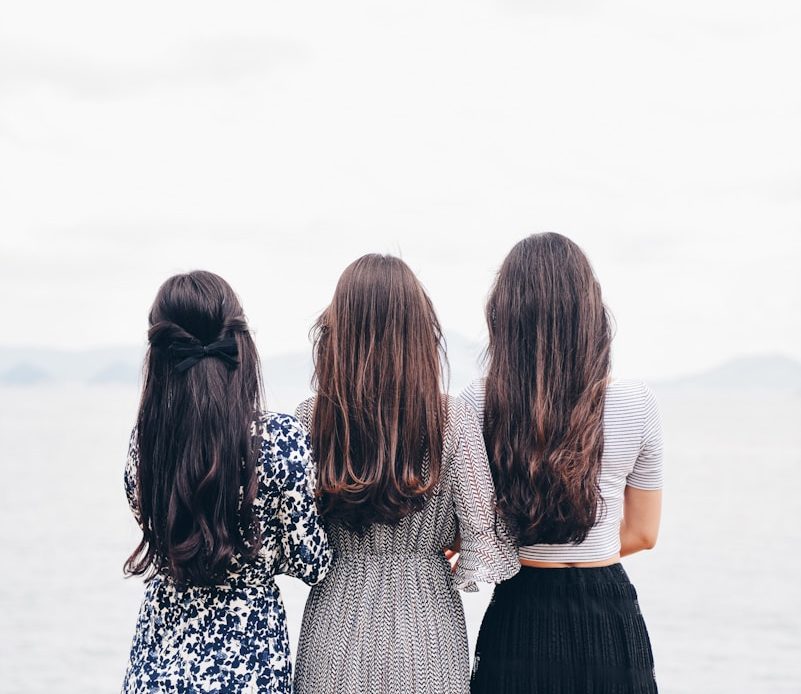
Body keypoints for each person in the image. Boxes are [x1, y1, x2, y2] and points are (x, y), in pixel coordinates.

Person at [293, 254, 519, 694]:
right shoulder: (451, 416)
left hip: (335, 624)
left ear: (338, 331)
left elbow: (297, 541)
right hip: (427, 626)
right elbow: (483, 534)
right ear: (419, 331)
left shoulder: (309, 420)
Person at [466, 233, 663, 694]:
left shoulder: (477, 404)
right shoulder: (637, 403)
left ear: (504, 315)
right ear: (591, 314)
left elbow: (472, 529)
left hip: (520, 610)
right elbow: (643, 534)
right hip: (610, 614)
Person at [122, 270, 331, 693]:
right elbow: (313, 561)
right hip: (249, 667)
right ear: (241, 347)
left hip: (155, 667)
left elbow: (164, 531)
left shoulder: (146, 446)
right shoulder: (281, 441)